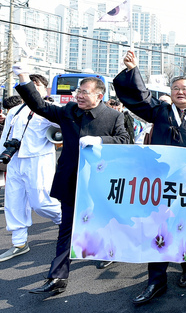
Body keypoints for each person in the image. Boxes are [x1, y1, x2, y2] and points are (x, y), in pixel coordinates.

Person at [13, 64, 129, 295]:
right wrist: (23, 77)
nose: (79, 95)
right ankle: (57, 278)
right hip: (70, 180)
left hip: (99, 182)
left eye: (84, 92)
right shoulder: (68, 112)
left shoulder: (114, 116)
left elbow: (125, 140)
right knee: (67, 229)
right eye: (78, 92)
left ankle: (111, 249)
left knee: (103, 222)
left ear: (100, 95)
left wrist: (100, 141)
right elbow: (39, 105)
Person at [114, 50, 186, 306]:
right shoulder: (160, 111)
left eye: (184, 88)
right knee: (157, 228)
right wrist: (132, 71)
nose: (179, 92)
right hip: (161, 183)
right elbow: (139, 98)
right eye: (175, 88)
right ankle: (156, 280)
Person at [0, 74, 62, 263]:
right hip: (16, 160)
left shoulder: (50, 110)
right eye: (29, 84)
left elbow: (64, 129)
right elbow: (6, 135)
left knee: (41, 202)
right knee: (14, 201)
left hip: (38, 160)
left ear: (44, 89)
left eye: (36, 85)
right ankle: (19, 243)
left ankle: (68, 221)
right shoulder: (14, 111)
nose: (32, 87)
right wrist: (3, 155)